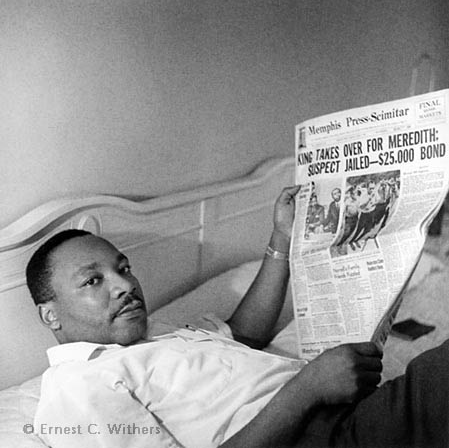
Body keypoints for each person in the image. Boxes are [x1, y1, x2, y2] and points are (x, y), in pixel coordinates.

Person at [26, 186, 448, 448]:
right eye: (92, 282)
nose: (124, 285)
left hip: (344, 413)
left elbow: (245, 333)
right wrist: (307, 388)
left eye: (122, 268)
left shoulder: (155, 334)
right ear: (51, 315)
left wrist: (281, 237)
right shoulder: (76, 386)